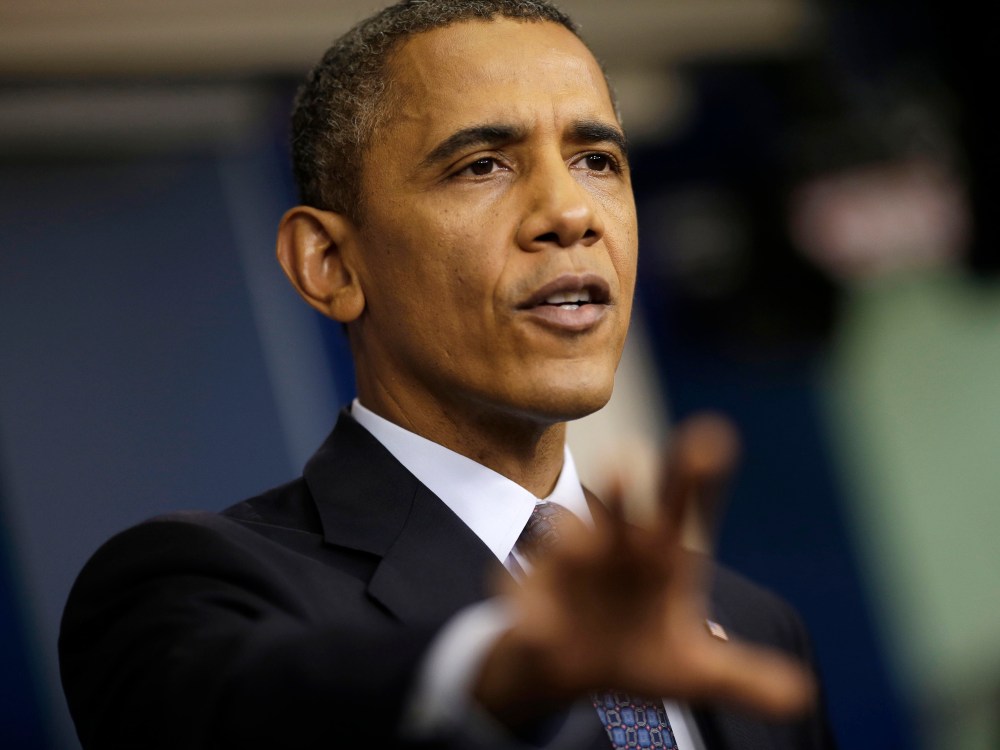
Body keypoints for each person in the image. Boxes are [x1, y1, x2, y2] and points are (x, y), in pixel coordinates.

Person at [59, 1, 837, 748]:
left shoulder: (751, 624)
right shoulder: (197, 586)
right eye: (482, 165)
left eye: (597, 160)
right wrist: (506, 670)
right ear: (329, 264)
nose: (571, 212)